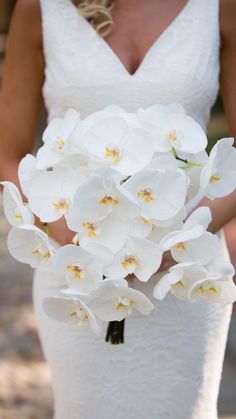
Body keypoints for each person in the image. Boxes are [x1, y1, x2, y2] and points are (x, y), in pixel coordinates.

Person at [0, 0, 236, 418]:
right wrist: (67, 233)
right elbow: (8, 154)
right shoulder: (40, 9)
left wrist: (179, 240)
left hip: (186, 271)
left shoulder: (220, 8)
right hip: (76, 272)